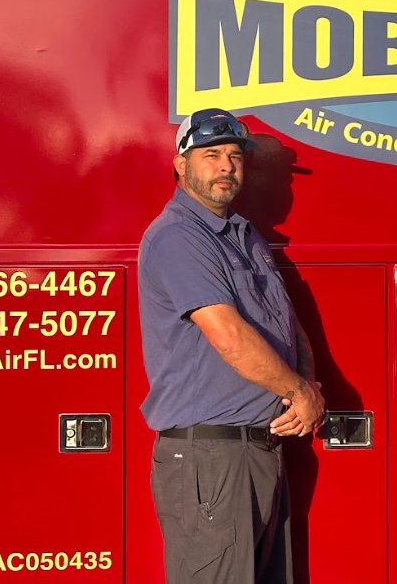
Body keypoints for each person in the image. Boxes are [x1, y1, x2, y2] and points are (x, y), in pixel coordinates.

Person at [138, 108, 324, 583]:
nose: (226, 166)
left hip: (256, 453)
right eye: (211, 154)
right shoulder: (179, 236)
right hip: (212, 461)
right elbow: (228, 335)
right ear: (181, 164)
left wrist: (310, 383)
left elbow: (288, 323)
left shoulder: (244, 236)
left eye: (235, 156)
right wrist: (300, 393)